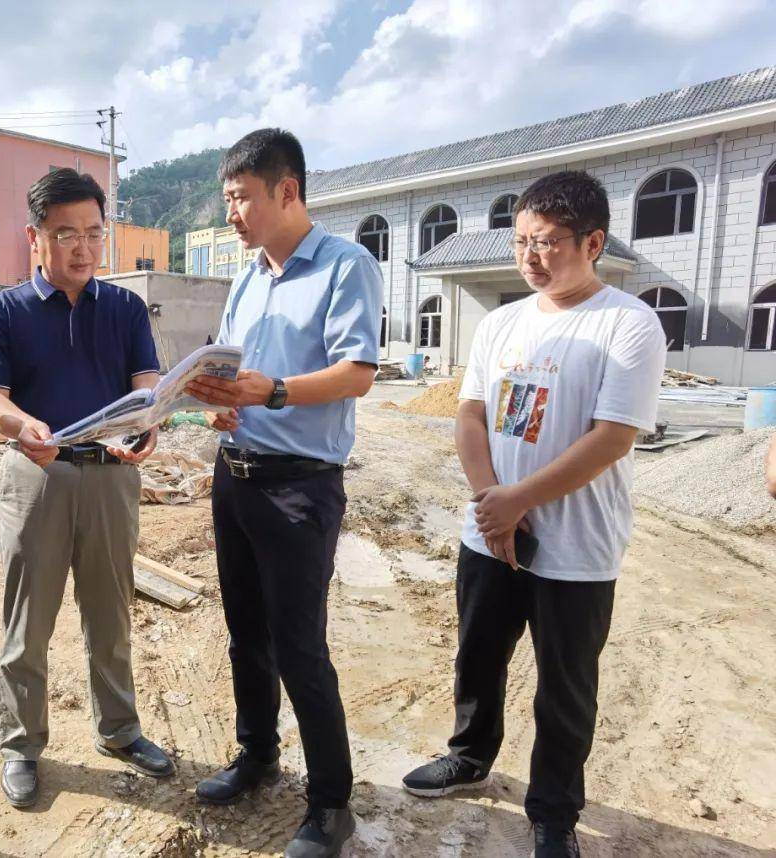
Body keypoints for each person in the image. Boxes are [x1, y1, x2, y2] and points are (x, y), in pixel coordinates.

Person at [401, 171, 666, 858]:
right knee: (478, 657)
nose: (530, 257)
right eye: (522, 241)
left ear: (594, 242)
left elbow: (612, 437)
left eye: (548, 243)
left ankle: (553, 811)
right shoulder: (500, 323)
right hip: (490, 536)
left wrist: (520, 502)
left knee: (565, 688)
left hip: (577, 547)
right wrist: (495, 504)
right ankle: (469, 755)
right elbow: (470, 414)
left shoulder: (628, 324)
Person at [185, 128, 383, 858]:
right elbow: (239, 369)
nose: (230, 213)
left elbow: (358, 371)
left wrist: (272, 392)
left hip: (299, 487)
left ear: (287, 191)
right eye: (227, 199)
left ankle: (331, 802)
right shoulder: (247, 276)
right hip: (233, 475)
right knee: (245, 634)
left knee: (300, 646)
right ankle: (258, 754)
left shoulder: (344, 266)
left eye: (239, 198)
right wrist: (222, 400)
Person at [0, 168, 174, 810]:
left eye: (93, 232)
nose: (83, 248)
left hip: (112, 475)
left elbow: (147, 382)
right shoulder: (4, 311)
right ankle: (20, 746)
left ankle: (119, 730)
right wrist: (20, 423)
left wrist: (149, 427)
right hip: (38, 475)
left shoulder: (124, 307)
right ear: (36, 237)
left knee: (110, 612)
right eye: (66, 234)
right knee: (28, 622)